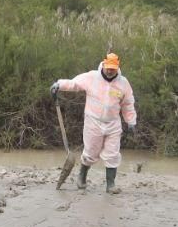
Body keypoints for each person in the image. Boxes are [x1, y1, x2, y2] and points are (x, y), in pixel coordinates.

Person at [51, 52, 137, 194]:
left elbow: (128, 104)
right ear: (104, 64)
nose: (110, 71)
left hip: (113, 123)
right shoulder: (91, 77)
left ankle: (110, 185)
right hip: (93, 121)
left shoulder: (123, 83)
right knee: (90, 152)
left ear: (117, 68)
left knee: (112, 154)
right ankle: (82, 177)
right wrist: (58, 85)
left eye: (113, 69)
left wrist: (131, 121)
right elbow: (74, 83)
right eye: (108, 67)